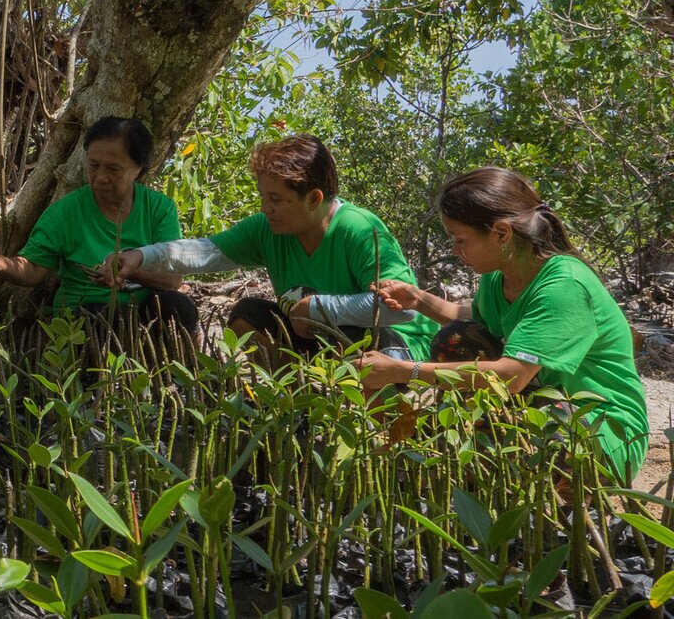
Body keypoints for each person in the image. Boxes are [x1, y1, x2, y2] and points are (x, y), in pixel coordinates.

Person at [355, 168, 648, 481]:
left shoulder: (565, 286)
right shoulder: (499, 279)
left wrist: (402, 370)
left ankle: (524, 486)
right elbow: (471, 320)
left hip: (598, 433)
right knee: (456, 339)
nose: (455, 251)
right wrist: (418, 299)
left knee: (517, 409)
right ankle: (480, 471)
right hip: (544, 405)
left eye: (460, 240)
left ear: (502, 233)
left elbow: (511, 377)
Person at [105, 135, 437, 360]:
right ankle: (294, 405)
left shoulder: (360, 229)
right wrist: (141, 256)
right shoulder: (269, 228)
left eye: (276, 199)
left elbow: (402, 309)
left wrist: (320, 308)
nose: (266, 208)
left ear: (314, 198)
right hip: (318, 340)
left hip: (397, 348)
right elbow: (206, 252)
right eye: (263, 197)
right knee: (248, 315)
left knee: (348, 334)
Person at [0, 116, 195, 336]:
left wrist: (129, 270)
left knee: (179, 307)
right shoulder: (65, 212)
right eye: (94, 165)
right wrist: (0, 262)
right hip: (86, 314)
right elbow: (33, 269)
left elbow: (172, 280)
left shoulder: (159, 209)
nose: (101, 177)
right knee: (98, 323)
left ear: (138, 169)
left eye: (113, 169)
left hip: (142, 313)